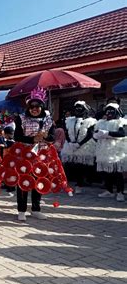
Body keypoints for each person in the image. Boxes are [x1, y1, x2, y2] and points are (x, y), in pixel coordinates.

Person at [14, 87, 55, 221]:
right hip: (25, 154)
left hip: (41, 154)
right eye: (32, 106)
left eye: (38, 106)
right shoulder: (21, 118)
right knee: (24, 181)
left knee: (39, 180)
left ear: (42, 107)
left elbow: (53, 137)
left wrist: (46, 137)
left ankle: (36, 209)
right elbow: (17, 136)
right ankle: (21, 210)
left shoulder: (48, 120)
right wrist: (32, 139)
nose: (34, 109)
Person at [61, 101, 97, 194]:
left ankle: (79, 184)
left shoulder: (90, 121)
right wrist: (70, 142)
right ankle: (70, 184)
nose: (78, 110)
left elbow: (90, 134)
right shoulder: (69, 120)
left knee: (81, 166)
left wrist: (79, 144)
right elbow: (66, 132)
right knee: (72, 165)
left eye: (80, 108)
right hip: (71, 145)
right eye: (76, 108)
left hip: (84, 146)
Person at [94, 103, 127, 201]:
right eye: (107, 111)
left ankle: (120, 192)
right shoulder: (101, 122)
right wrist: (97, 135)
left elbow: (123, 133)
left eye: (112, 111)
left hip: (116, 151)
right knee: (106, 172)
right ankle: (109, 190)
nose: (109, 113)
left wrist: (108, 133)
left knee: (117, 172)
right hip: (104, 149)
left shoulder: (121, 122)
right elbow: (95, 133)